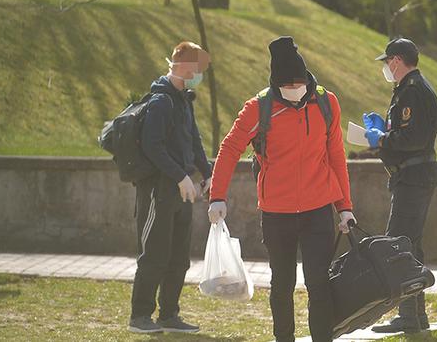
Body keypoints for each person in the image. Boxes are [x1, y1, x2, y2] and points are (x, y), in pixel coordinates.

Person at [207, 36, 356, 342]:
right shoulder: (258, 108)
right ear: (276, 84)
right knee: (282, 284)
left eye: (298, 85)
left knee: (319, 283)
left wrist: (345, 207)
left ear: (307, 80)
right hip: (277, 212)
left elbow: (336, 156)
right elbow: (230, 148)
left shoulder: (327, 103)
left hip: (317, 209)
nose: (293, 91)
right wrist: (217, 197)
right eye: (286, 87)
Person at [128, 41, 213, 334]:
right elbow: (153, 146)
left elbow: (195, 141)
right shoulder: (161, 101)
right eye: (197, 68)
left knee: (179, 257)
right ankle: (140, 316)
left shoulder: (183, 100)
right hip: (160, 189)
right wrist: (180, 176)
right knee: (154, 254)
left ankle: (169, 315)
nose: (200, 73)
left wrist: (208, 173)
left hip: (183, 189)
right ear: (185, 67)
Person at [364, 38, 437, 334]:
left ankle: (408, 316)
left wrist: (381, 139)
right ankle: (414, 315)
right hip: (413, 176)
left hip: (413, 178)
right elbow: (411, 133)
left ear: (396, 60)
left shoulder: (411, 91)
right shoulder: (414, 89)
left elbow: (414, 139)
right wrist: (383, 130)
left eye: (387, 62)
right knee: (410, 247)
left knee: (398, 246)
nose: (386, 67)